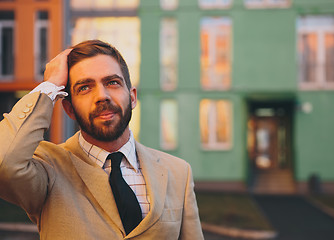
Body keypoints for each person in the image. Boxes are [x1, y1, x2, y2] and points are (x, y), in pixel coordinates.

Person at [0, 40, 204, 239]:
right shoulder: (47, 167)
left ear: (132, 97)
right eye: (85, 88)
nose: (102, 96)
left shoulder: (178, 172)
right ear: (69, 109)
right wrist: (50, 86)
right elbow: (4, 162)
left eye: (112, 82)